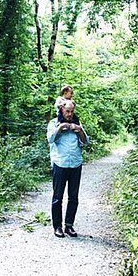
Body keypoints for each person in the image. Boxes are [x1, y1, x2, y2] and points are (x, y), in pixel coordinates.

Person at [46, 100, 89, 238]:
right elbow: (50, 139)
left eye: (71, 111)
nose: (70, 114)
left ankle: (69, 226)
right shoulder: (53, 123)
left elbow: (85, 141)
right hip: (60, 164)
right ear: (61, 110)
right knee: (57, 197)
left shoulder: (77, 123)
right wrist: (60, 128)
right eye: (67, 111)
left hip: (75, 164)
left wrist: (80, 130)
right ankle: (57, 227)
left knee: (73, 197)